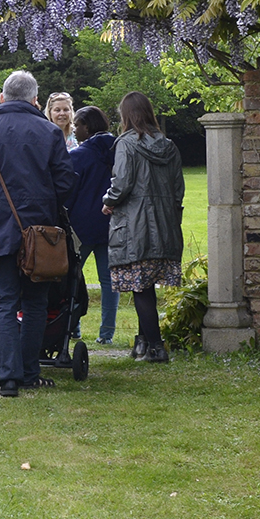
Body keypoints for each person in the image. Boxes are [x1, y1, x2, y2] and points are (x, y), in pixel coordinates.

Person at [0, 70, 76, 397]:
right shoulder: (49, 133)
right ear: (36, 99)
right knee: (35, 301)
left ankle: (8, 378)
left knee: (4, 301)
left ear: (3, 97)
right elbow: (65, 183)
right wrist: (46, 209)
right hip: (41, 232)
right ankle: (30, 372)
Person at [101, 91, 185, 363]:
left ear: (127, 115)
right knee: (146, 285)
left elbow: (122, 183)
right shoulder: (169, 145)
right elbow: (178, 189)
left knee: (141, 287)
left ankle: (157, 348)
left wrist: (107, 201)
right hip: (164, 224)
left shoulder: (126, 144)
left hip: (135, 225)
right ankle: (143, 343)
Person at [65, 106, 119, 344]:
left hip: (82, 225)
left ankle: (72, 327)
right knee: (109, 281)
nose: (74, 129)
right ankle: (106, 333)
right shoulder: (119, 150)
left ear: (88, 126)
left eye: (77, 125)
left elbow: (68, 192)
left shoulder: (79, 155)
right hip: (111, 224)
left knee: (72, 277)